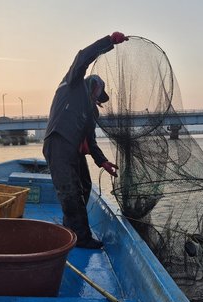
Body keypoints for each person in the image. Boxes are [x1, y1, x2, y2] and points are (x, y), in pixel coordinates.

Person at [43, 32, 128, 249]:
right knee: (70, 191)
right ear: (94, 86)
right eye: (99, 95)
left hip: (74, 151)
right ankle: (81, 237)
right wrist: (109, 41)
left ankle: (70, 228)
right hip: (58, 143)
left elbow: (91, 141)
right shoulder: (73, 84)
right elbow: (82, 57)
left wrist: (103, 162)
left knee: (85, 185)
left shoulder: (91, 113)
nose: (98, 101)